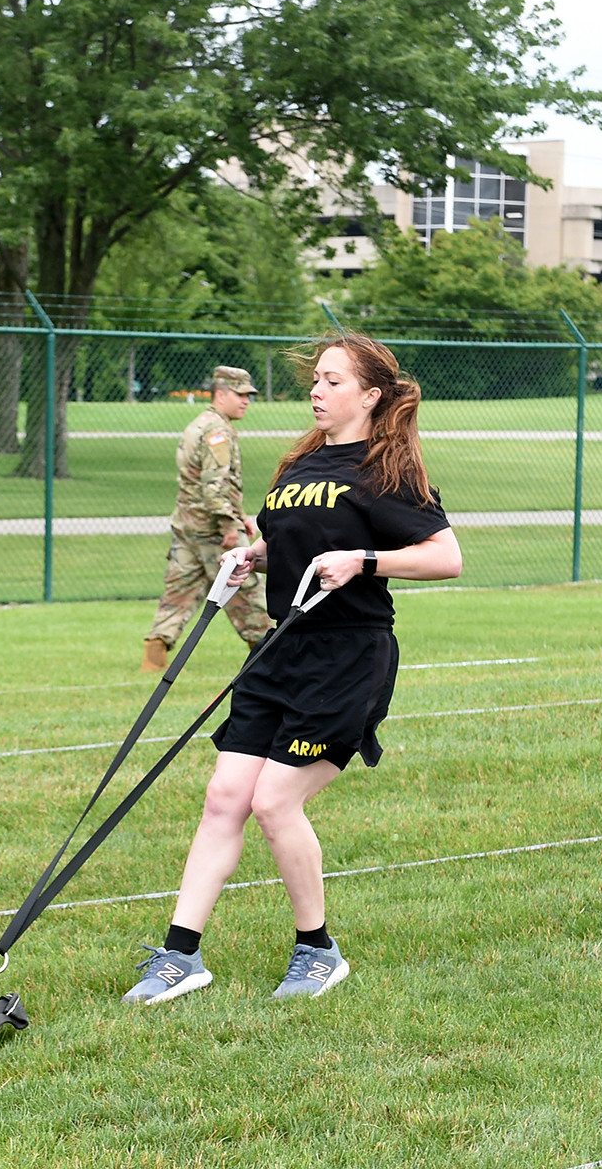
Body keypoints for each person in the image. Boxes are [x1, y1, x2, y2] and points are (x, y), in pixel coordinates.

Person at [123, 333, 462, 1004]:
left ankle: (318, 950)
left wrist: (366, 561)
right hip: (282, 649)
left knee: (275, 802)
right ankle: (180, 956)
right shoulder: (300, 464)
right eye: (316, 380)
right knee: (225, 797)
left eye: (333, 381)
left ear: (370, 395)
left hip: (349, 653)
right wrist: (254, 554)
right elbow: (287, 540)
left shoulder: (386, 469)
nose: (317, 390)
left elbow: (445, 556)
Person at [141, 365, 273, 672]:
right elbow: (214, 485)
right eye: (240, 395)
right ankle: (267, 650)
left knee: (180, 588)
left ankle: (154, 652)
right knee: (247, 587)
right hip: (213, 528)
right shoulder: (218, 431)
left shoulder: (198, 424)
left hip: (187, 525)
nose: (246, 402)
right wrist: (229, 525)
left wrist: (240, 516)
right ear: (221, 394)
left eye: (249, 396)